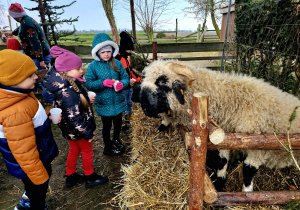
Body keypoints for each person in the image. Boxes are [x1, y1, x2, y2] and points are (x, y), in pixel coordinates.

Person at [0, 49, 58, 210]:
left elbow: (31, 114)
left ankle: (29, 197)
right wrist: (39, 178)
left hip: (37, 155)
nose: (35, 77)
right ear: (12, 80)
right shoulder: (14, 111)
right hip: (31, 163)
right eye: (29, 75)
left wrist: (46, 116)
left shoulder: (21, 93)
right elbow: (23, 151)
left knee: (37, 182)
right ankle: (35, 205)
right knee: (38, 189)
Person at [43, 46, 109, 189]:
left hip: (70, 130)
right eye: (78, 68)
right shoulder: (68, 91)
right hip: (78, 130)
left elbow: (68, 108)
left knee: (74, 151)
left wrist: (85, 100)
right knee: (87, 152)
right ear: (66, 71)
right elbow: (73, 117)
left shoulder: (65, 85)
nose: (81, 71)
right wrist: (87, 133)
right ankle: (90, 177)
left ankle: (71, 176)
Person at [85, 33, 129, 156]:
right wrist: (102, 83)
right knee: (106, 125)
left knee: (118, 123)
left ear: (112, 51)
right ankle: (107, 145)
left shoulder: (117, 63)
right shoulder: (93, 67)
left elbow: (125, 78)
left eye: (108, 51)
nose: (106, 54)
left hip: (118, 101)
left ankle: (116, 139)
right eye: (103, 52)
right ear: (97, 52)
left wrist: (122, 84)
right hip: (104, 103)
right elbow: (89, 83)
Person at [4, 2, 53, 108]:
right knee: (42, 78)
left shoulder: (27, 23)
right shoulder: (26, 20)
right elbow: (20, 29)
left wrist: (40, 60)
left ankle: (49, 102)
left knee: (42, 79)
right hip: (39, 55)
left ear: (14, 15)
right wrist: (12, 33)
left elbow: (36, 43)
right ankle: (49, 99)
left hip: (39, 56)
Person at [115, 31, 141, 129]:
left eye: (131, 49)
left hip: (129, 85)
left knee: (129, 102)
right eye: (128, 49)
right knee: (122, 103)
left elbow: (130, 71)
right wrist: (125, 82)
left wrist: (138, 79)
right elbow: (115, 75)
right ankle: (120, 122)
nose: (130, 51)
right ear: (123, 47)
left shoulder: (127, 58)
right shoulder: (117, 59)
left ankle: (127, 119)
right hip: (122, 87)